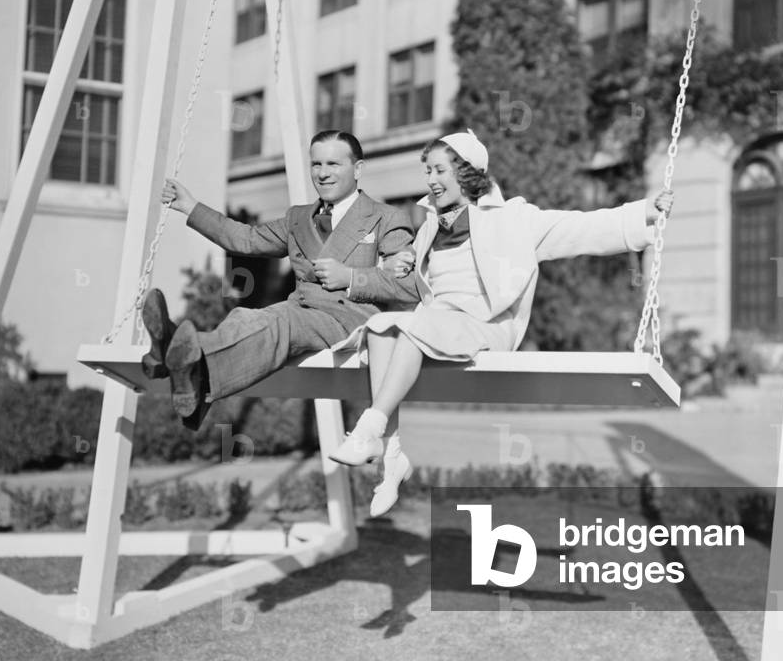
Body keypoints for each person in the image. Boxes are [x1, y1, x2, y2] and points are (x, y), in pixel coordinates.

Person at [327, 129, 674, 517]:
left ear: (467, 172)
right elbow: (418, 287)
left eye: (440, 170)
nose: (431, 180)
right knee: (379, 329)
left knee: (410, 327)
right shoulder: (428, 228)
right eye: (427, 171)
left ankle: (369, 428)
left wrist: (646, 210)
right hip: (439, 326)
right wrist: (398, 264)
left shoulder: (513, 219)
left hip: (486, 327)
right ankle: (390, 457)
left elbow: (583, 228)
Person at [142, 130, 420, 430]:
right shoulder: (297, 218)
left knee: (281, 323)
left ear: (358, 169)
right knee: (245, 318)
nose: (323, 174)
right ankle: (184, 358)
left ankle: (189, 362)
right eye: (316, 165)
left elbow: (409, 286)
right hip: (299, 312)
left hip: (351, 323)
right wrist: (190, 207)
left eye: (333, 164)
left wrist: (350, 277)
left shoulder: (386, 218)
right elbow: (246, 239)